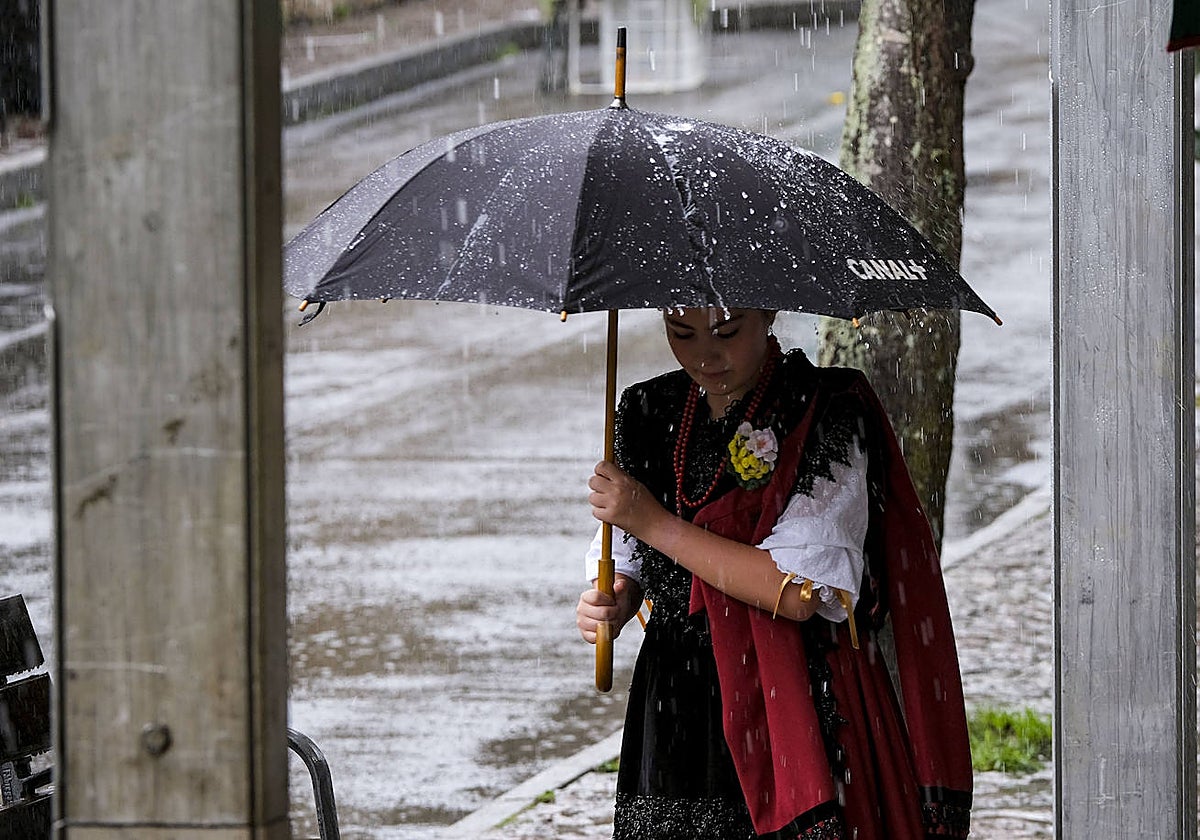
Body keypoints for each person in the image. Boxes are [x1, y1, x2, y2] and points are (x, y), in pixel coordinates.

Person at [576, 307, 973, 840]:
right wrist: (615, 601)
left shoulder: (824, 408)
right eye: (681, 333)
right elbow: (634, 561)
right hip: (677, 700)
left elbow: (796, 594)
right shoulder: (647, 411)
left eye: (726, 331)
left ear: (767, 313)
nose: (704, 355)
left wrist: (651, 521)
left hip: (792, 692)